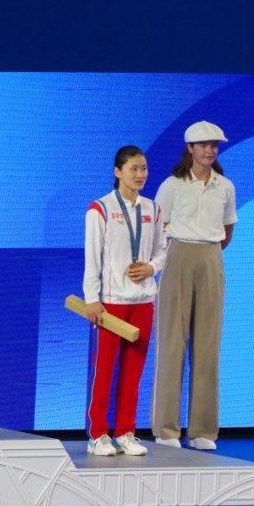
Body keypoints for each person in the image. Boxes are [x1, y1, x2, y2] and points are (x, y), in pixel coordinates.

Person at [151, 120, 236, 451]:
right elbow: (160, 228)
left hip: (211, 256)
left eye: (214, 144)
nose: (209, 150)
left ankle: (202, 430)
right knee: (172, 342)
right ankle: (166, 429)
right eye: (202, 144)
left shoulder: (225, 187)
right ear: (189, 149)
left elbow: (227, 231)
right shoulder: (171, 186)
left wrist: (207, 252)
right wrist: (183, 250)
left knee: (207, 344)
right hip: (178, 255)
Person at [82, 145, 167, 457]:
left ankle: (126, 431)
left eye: (143, 168)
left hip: (144, 301)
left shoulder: (153, 209)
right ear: (118, 172)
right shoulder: (100, 209)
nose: (140, 174)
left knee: (134, 371)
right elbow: (92, 259)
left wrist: (151, 268)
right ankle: (98, 434)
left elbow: (162, 250)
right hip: (111, 301)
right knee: (105, 370)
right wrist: (93, 299)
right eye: (133, 168)